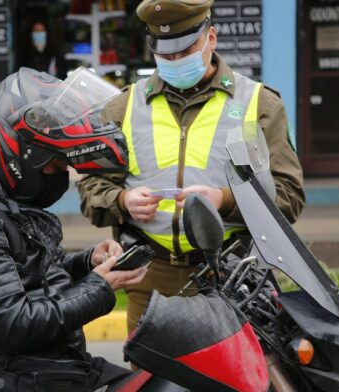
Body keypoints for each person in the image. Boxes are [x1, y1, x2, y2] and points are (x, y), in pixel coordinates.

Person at [77, 0, 305, 338]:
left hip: (227, 276)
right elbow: (91, 189)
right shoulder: (123, 106)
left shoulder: (259, 104)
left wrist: (223, 200)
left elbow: (288, 197)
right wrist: (123, 201)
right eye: (165, 55)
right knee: (153, 384)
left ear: (211, 38)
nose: (175, 62)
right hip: (149, 279)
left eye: (185, 51)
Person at [0, 67, 145, 391]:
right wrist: (99, 288)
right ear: (20, 156)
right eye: (56, 165)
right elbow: (15, 323)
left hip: (38, 365)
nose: (60, 175)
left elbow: (29, 279)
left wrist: (87, 262)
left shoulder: (1, 203)